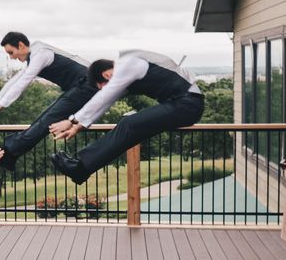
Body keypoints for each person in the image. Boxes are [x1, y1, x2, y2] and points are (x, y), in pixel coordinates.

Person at [49, 49, 204, 184]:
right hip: (182, 104)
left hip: (188, 104)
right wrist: (78, 126)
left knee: (129, 124)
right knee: (129, 125)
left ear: (106, 74)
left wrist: (71, 120)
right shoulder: (128, 70)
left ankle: (80, 168)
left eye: (101, 85)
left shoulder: (129, 64)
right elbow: (106, 102)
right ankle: (81, 167)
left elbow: (105, 96)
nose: (104, 88)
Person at [0, 31, 97, 171]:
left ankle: (5, 154)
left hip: (87, 85)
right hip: (79, 87)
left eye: (11, 52)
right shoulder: (36, 54)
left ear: (20, 45)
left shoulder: (40, 54)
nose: (11, 57)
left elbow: (23, 82)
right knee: (42, 120)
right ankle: (7, 155)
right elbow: (15, 80)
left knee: (46, 120)